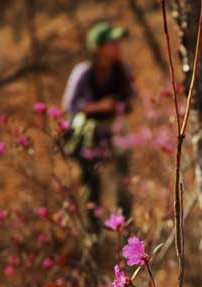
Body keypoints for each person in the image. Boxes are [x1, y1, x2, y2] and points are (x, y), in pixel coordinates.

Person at [62, 22, 135, 231]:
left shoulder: (121, 70)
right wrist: (99, 107)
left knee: (123, 182)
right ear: (99, 48)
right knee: (91, 185)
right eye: (112, 43)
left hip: (114, 131)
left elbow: (129, 101)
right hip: (89, 136)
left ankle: (125, 229)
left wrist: (118, 105)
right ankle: (94, 233)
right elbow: (70, 106)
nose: (117, 47)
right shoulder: (84, 72)